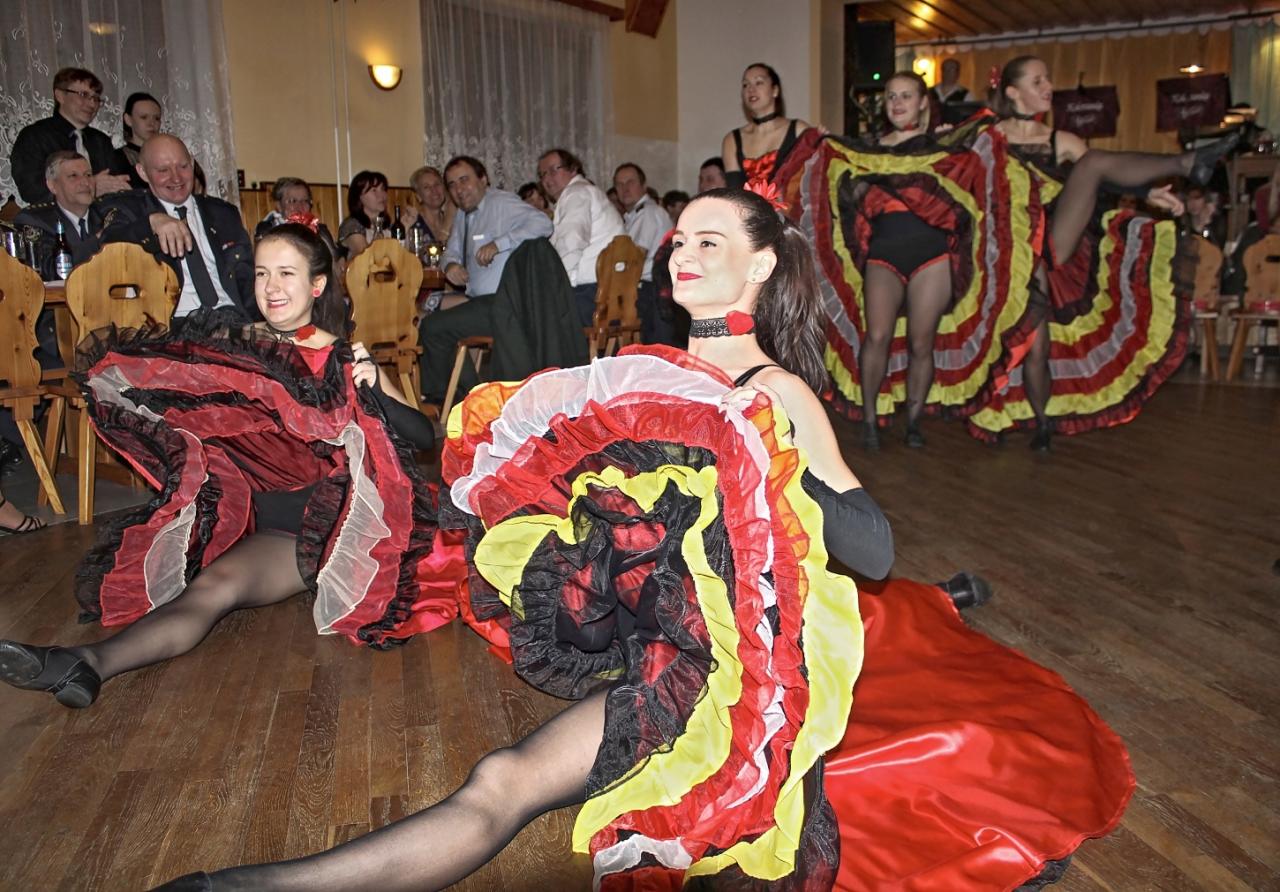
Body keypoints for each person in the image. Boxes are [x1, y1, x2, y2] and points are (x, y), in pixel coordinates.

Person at [148, 188, 1133, 892]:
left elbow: (870, 548)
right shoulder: (637, 374)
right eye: (679, 239)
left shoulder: (775, 391)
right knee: (502, 781)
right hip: (661, 647)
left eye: (709, 239)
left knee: (511, 780)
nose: (681, 252)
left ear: (761, 265)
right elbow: (524, 478)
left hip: (736, 673)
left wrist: (762, 458)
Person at [0, 221, 448, 709]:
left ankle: (84, 660)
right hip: (264, 522)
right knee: (210, 589)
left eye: (286, 273)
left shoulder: (340, 354)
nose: (271, 287)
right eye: (261, 274)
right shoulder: (236, 346)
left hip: (330, 529)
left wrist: (375, 382)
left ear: (317, 285)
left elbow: (422, 437)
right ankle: (83, 663)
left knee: (217, 588)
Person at [991, 54, 1235, 449]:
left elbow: (1102, 179)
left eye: (1048, 79)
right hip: (1003, 246)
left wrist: (1147, 192)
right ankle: (1032, 421)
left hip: (1052, 240)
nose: (1048, 87)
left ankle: (1188, 162)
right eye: (1038, 82)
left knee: (1093, 163)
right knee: (1033, 343)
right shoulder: (987, 136)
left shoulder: (1061, 140)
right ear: (1013, 92)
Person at [855, 72, 954, 451]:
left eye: (906, 96)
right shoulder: (868, 150)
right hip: (884, 251)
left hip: (932, 253)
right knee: (877, 335)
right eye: (891, 96)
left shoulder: (942, 145)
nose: (897, 103)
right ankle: (869, 421)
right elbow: (849, 195)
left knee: (921, 343)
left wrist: (949, 145)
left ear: (923, 101)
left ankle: (914, 422)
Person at [418, 155, 554, 404]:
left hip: (505, 305)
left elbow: (543, 224)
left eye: (464, 180)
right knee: (431, 320)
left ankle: (456, 398)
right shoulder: (464, 214)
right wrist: (451, 265)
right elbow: (450, 252)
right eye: (452, 184)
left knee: (433, 328)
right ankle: (474, 395)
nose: (459, 189)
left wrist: (500, 244)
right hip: (479, 302)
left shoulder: (501, 203)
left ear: (483, 179)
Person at [99, 134, 257, 323]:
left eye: (183, 166)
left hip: (232, 318)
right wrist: (151, 223)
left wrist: (260, 325)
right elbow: (106, 243)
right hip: (171, 323)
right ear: (142, 172)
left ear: (192, 164)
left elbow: (247, 279)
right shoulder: (130, 209)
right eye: (163, 170)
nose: (176, 178)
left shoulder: (223, 213)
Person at [9, 66, 132, 204]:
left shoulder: (100, 140)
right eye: (83, 95)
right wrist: (90, 186)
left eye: (96, 98)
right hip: (53, 216)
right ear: (60, 96)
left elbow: (115, 185)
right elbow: (32, 191)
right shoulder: (34, 136)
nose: (92, 103)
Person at [537, 148, 624, 326]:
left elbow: (571, 243)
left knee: (536, 319)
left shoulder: (576, 193)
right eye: (542, 174)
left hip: (590, 295)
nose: (547, 179)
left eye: (553, 170)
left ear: (573, 169)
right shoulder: (586, 191)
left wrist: (556, 291)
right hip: (613, 294)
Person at [13, 151, 105, 282]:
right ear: (52, 186)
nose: (85, 182)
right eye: (73, 176)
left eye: (88, 175)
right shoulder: (34, 221)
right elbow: (50, 271)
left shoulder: (108, 214)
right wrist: (98, 239)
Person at [721, 63, 812, 188]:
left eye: (758, 82)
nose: (750, 89)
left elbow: (813, 182)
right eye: (745, 85)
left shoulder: (799, 130)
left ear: (775, 90)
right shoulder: (731, 140)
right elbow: (734, 193)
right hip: (745, 202)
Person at [613, 162, 673, 343]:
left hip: (652, 289)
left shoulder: (648, 212)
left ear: (643, 185)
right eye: (619, 184)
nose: (624, 188)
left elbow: (635, 258)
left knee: (655, 346)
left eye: (630, 182)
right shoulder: (634, 215)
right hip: (650, 288)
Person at [109, 92, 163, 189]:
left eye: (156, 118)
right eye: (144, 117)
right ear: (128, 120)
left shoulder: (167, 155)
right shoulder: (116, 159)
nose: (151, 123)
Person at [336, 170, 390, 258]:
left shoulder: (387, 225)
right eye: (374, 190)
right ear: (359, 196)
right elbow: (365, 257)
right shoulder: (351, 225)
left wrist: (405, 228)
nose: (382, 195)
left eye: (383, 189)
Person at [398, 165, 456, 244]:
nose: (434, 190)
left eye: (437, 184)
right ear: (418, 196)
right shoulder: (412, 224)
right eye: (426, 187)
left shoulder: (453, 221)